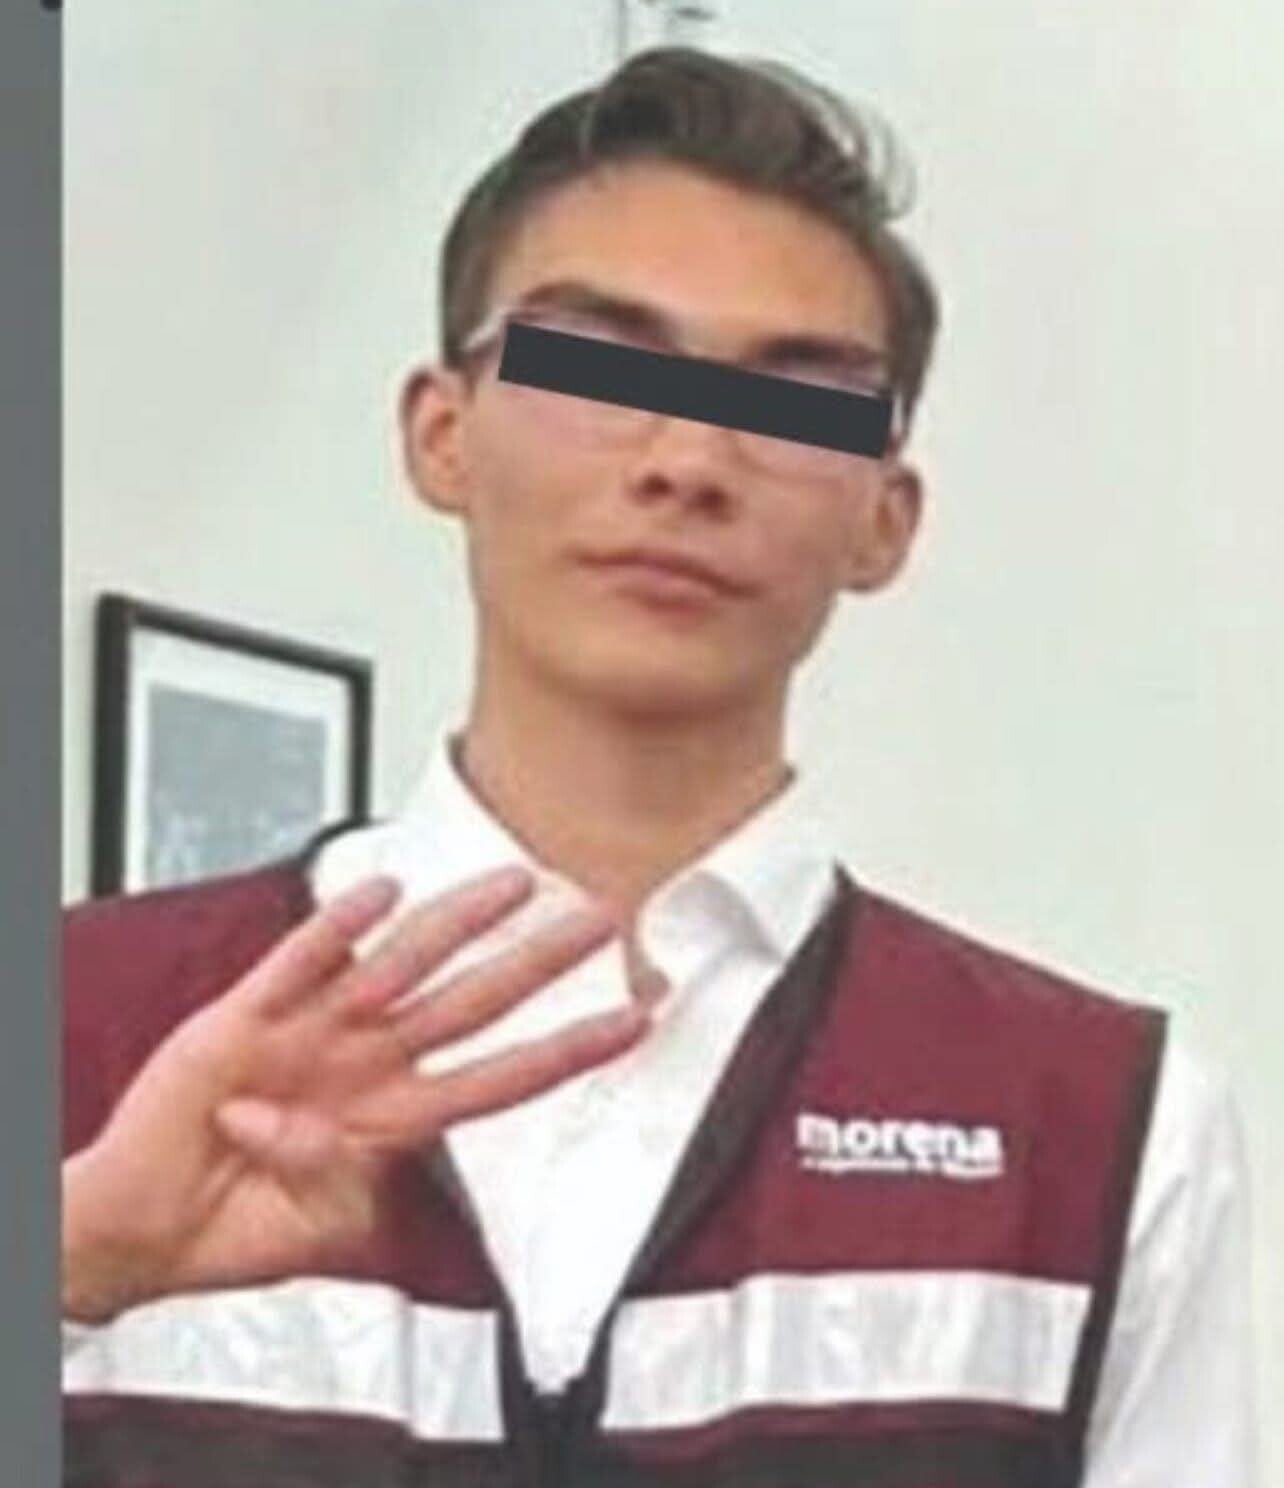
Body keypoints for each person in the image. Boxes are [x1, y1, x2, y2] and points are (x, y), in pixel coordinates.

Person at [61, 46, 1257, 1488]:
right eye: (597, 365)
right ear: (440, 434)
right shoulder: (75, 1033)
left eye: (797, 403)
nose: (688, 462)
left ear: (885, 520)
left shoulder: (1102, 1125)